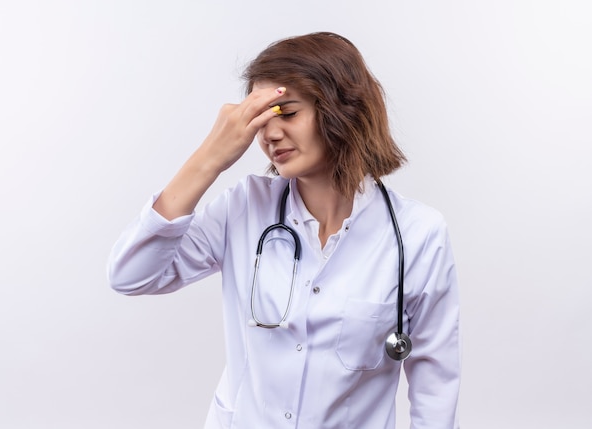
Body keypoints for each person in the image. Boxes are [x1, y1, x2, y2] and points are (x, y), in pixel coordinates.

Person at [107, 32, 461, 429]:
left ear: (343, 109)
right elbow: (132, 276)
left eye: (287, 113)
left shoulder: (417, 235)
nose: (269, 134)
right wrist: (209, 158)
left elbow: (435, 386)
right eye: (260, 120)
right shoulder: (245, 207)